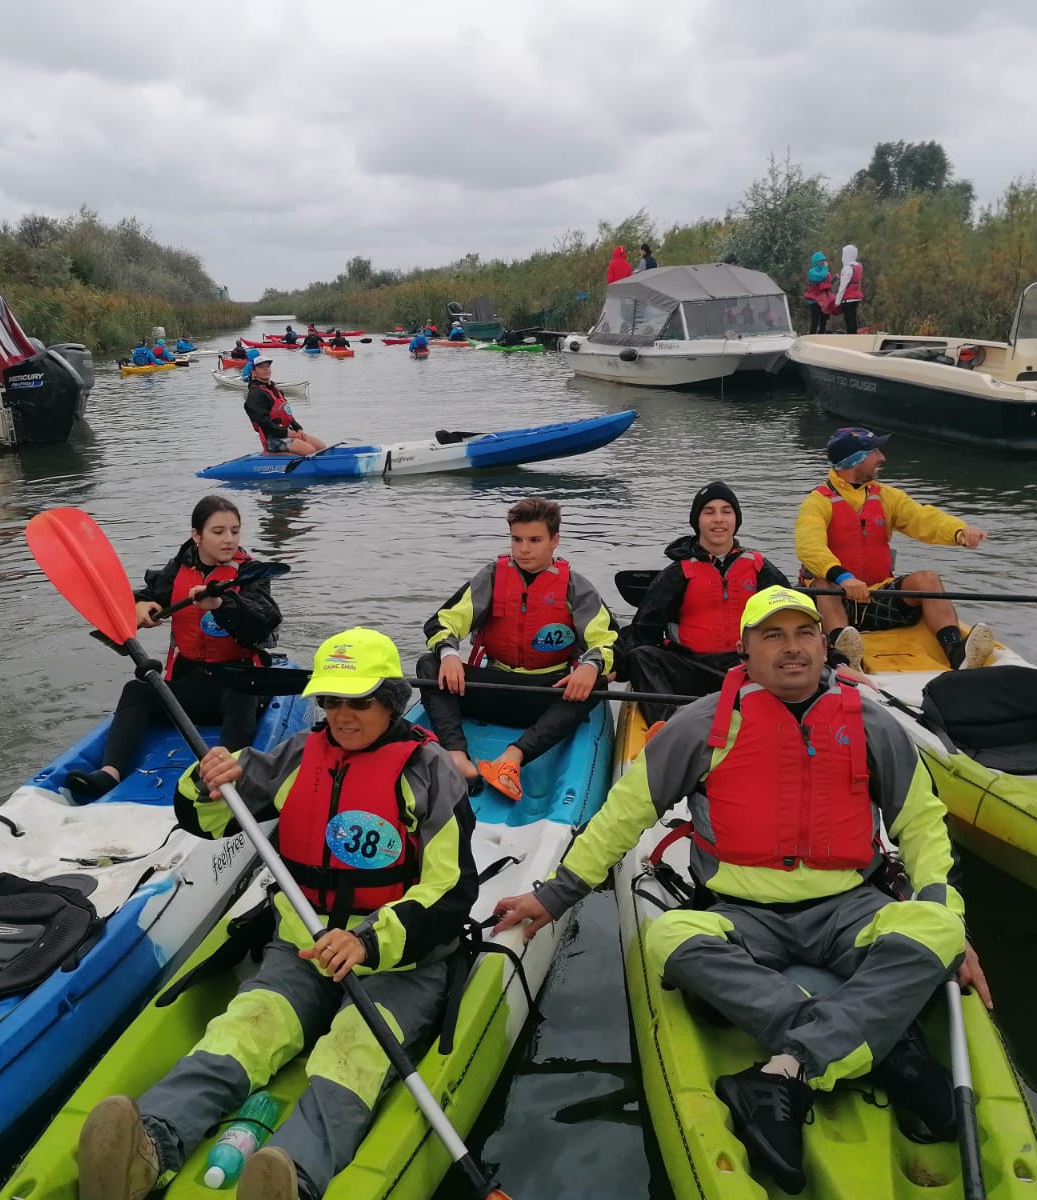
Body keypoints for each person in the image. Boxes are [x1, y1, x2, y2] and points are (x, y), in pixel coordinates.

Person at [492, 586, 984, 1194]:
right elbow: (624, 813)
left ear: (823, 643)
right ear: (745, 650)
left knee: (939, 927)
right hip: (742, 915)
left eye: (803, 633)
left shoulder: (871, 723)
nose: (792, 649)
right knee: (669, 937)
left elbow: (920, 827)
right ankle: (882, 1050)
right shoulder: (702, 724)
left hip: (851, 908)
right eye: (772, 636)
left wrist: (947, 920)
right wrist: (556, 894)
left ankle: (786, 1069)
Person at [75, 628, 478, 1200]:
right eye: (331, 700)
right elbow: (209, 819)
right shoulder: (294, 757)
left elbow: (452, 891)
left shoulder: (431, 773)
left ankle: (293, 1177)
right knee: (243, 1031)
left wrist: (367, 940)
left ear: (391, 700)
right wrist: (202, 783)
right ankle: (151, 1148)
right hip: (302, 947)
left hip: (398, 966)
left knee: (352, 1056)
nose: (341, 714)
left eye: (358, 700)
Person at [64, 496, 281, 799]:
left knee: (242, 692)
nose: (229, 539)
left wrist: (221, 602)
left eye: (235, 531)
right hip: (189, 683)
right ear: (197, 536)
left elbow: (265, 620)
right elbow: (144, 595)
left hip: (238, 684)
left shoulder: (250, 574)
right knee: (137, 689)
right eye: (218, 532)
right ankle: (109, 773)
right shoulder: (177, 570)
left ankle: (222, 779)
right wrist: (139, 606)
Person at [417, 497, 616, 800]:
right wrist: (449, 654)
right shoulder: (491, 578)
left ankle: (513, 757)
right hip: (496, 683)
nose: (524, 548)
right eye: (517, 539)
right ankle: (456, 754)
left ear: (554, 541)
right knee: (429, 664)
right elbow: (442, 623)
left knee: (598, 684)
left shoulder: (577, 588)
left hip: (545, 694)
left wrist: (590, 666)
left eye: (535, 540)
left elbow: (609, 640)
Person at [795, 427, 992, 673]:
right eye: (874, 452)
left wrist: (959, 531)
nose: (882, 457)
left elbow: (923, 519)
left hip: (876, 597)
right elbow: (809, 547)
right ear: (854, 461)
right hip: (836, 599)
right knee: (823, 584)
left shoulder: (886, 497)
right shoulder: (817, 502)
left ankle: (955, 651)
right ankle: (843, 655)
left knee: (928, 580)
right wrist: (844, 578)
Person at [619, 481, 791, 722]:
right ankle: (668, 726)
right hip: (692, 668)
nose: (718, 519)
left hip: (747, 668)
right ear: (697, 521)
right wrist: (611, 666)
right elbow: (644, 630)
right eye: (709, 512)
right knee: (641, 656)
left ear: (736, 520)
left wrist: (833, 659)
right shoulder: (677, 573)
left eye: (726, 511)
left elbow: (795, 617)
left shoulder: (759, 567)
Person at [244, 358, 326, 455]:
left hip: (287, 433)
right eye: (261, 367)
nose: (266, 369)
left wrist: (297, 428)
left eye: (268, 366)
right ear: (254, 372)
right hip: (272, 440)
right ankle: (270, 456)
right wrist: (286, 433)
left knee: (321, 447)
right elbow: (264, 423)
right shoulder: (255, 395)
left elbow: (287, 414)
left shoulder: (276, 390)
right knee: (310, 451)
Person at [833, 244, 863, 334]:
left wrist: (837, 302)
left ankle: (851, 337)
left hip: (848, 298)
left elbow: (843, 287)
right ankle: (854, 335)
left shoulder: (847, 268)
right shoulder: (858, 267)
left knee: (849, 319)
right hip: (856, 297)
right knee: (853, 318)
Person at [804, 251, 833, 335]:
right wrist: (825, 268)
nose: (823, 262)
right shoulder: (811, 272)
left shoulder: (826, 272)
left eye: (823, 260)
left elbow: (828, 283)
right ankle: (812, 336)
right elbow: (820, 277)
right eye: (820, 261)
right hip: (814, 300)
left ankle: (821, 336)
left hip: (824, 300)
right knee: (815, 320)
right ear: (816, 262)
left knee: (823, 320)